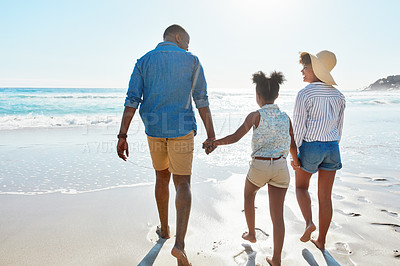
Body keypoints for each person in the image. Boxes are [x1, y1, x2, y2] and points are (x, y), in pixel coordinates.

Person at [116, 24, 216, 266]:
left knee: (161, 177)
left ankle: (164, 229)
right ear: (179, 37)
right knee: (183, 182)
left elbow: (132, 99)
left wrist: (122, 135)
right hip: (181, 130)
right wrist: (211, 134)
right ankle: (179, 245)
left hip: (154, 130)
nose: (187, 47)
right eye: (187, 42)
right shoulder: (192, 60)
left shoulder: (144, 61)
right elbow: (201, 100)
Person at [209, 71, 300, 266]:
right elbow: (292, 144)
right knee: (278, 217)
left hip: (259, 165)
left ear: (258, 96)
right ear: (277, 95)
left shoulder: (255, 116)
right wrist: (296, 161)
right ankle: (276, 259)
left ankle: (251, 233)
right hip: (281, 166)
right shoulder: (285, 117)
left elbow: (235, 137)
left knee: (249, 195)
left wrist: (215, 143)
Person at [293, 50, 346, 250]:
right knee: (325, 197)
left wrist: (296, 155)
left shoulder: (304, 94)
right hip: (332, 147)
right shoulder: (339, 96)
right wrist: (332, 145)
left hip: (311, 146)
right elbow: (339, 128)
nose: (302, 71)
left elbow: (298, 128)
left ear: (315, 69)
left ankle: (309, 223)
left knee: (301, 188)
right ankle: (321, 240)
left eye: (305, 67)